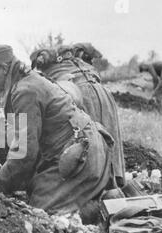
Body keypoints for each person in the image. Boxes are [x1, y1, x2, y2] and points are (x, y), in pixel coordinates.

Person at [0, 44, 115, 215]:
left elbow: (25, 152)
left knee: (40, 212)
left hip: (82, 157)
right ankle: (96, 199)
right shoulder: (24, 81)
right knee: (32, 189)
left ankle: (97, 212)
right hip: (82, 147)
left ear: (3, 69)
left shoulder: (25, 91)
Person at [30, 45, 126, 188]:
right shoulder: (78, 63)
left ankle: (93, 186)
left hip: (82, 94)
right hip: (104, 95)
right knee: (108, 138)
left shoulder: (53, 72)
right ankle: (113, 183)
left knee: (90, 140)